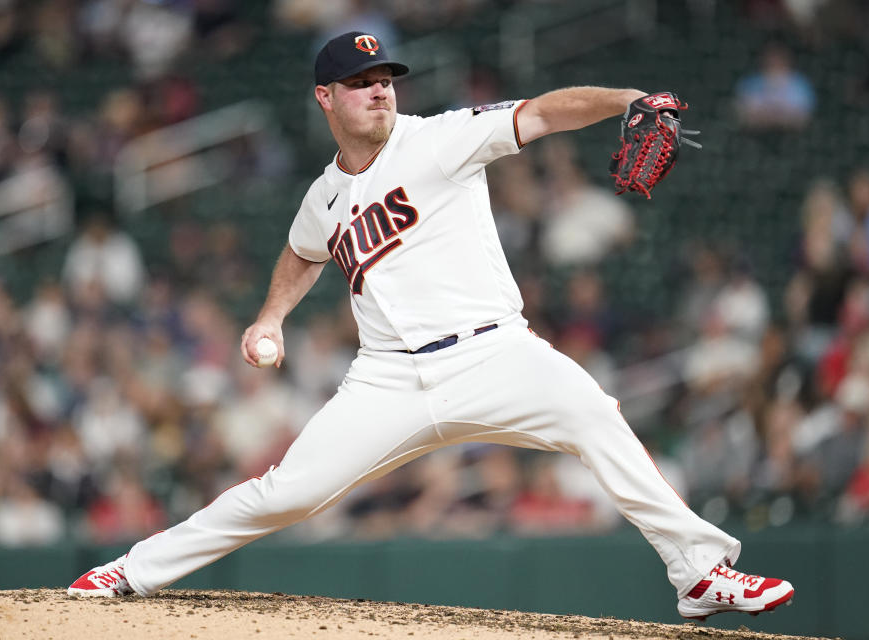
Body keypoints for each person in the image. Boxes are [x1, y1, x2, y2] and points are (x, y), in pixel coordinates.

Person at [68, 31, 794, 621]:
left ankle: (700, 573)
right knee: (282, 494)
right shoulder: (323, 196)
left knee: (593, 414)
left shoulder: (443, 137)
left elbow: (543, 111)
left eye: (385, 75)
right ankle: (130, 571)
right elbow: (299, 252)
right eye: (361, 80)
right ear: (326, 97)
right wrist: (270, 317)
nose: (379, 87)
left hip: (494, 353)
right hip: (386, 379)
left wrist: (629, 99)